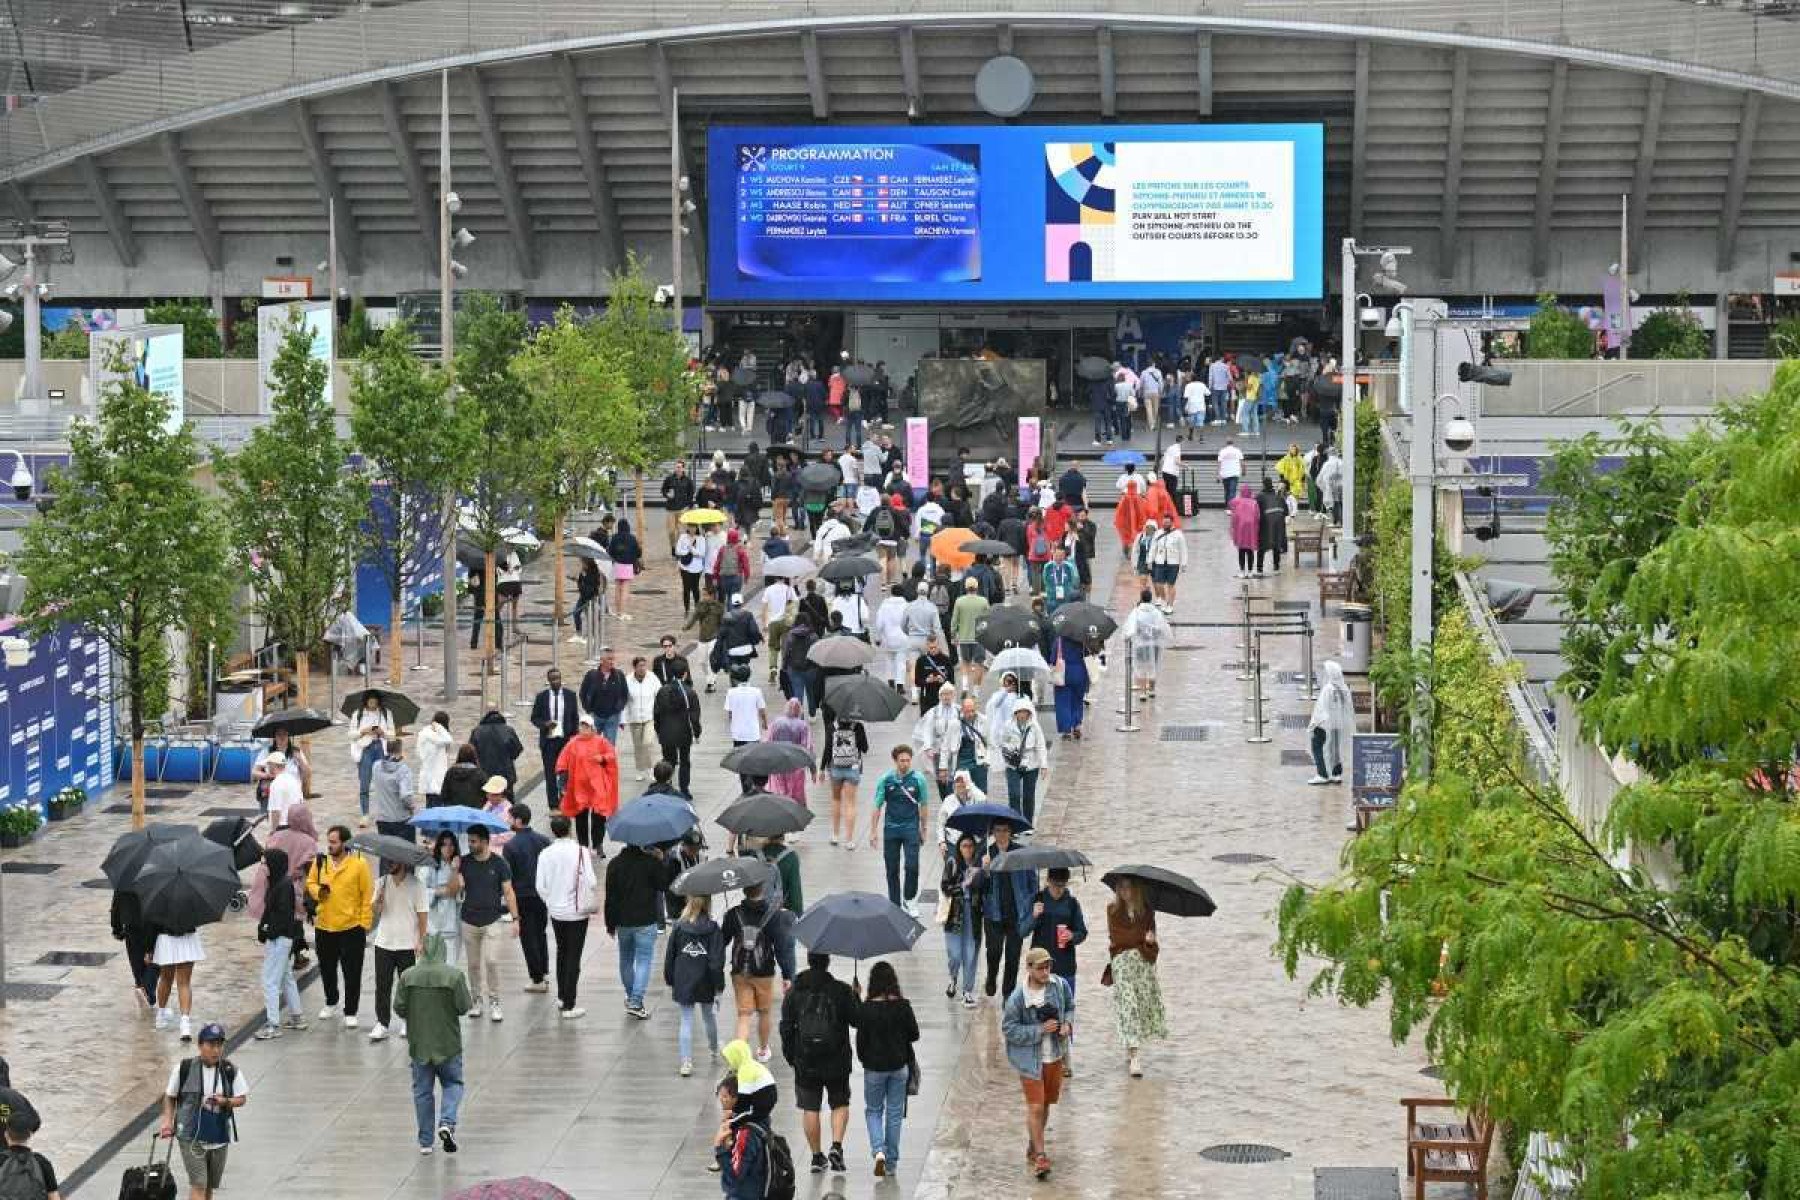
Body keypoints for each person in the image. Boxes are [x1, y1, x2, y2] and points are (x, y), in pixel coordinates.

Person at [779, 951, 860, 1175]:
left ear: (809, 961)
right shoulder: (841, 990)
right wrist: (856, 996)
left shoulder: (795, 991)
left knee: (810, 1107)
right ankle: (836, 1146)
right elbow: (857, 1020)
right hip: (837, 1058)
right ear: (828, 963)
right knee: (839, 1102)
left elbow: (786, 1026)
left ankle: (816, 1156)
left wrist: (791, 1056)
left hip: (805, 1060)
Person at [395, 933, 471, 1156]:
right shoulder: (454, 976)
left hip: (420, 1045)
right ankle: (447, 1121)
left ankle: (426, 1142)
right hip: (448, 1044)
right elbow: (464, 1006)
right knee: (453, 1084)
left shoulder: (408, 976)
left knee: (422, 1091)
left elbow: (399, 1007)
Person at [1002, 947, 1073, 1180]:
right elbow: (1009, 1029)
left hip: (1055, 1056)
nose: (1045, 971)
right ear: (1029, 969)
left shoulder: (1060, 986)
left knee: (1047, 1104)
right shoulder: (1017, 998)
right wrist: (1038, 1030)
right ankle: (1041, 1156)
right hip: (1029, 1061)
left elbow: (1070, 1007)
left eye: (1048, 967)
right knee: (1036, 1106)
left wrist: (1067, 1026)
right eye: (1041, 967)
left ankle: (1034, 1145)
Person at [160, 1022, 248, 1199]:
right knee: (199, 1184)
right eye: (211, 1045)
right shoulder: (184, 1068)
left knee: (208, 1187)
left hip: (219, 1135)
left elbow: (242, 1098)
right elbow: (170, 1096)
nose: (216, 1050)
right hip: (190, 1136)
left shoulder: (230, 1070)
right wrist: (167, 1122)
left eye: (219, 1045)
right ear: (200, 1045)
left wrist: (225, 1101)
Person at [306, 823, 373, 1029]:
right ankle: (331, 1000)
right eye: (329, 842)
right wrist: (319, 892)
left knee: (352, 971)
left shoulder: (359, 864)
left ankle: (351, 1010)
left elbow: (367, 895)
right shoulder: (321, 862)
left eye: (334, 842)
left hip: (351, 928)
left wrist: (364, 923)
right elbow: (310, 883)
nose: (330, 846)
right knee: (327, 968)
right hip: (325, 926)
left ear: (345, 843)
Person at [534, 813, 598, 1020]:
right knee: (573, 956)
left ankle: (562, 996)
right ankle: (569, 1003)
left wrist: (551, 901)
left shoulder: (545, 853)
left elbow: (540, 886)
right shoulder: (580, 852)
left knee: (562, 953)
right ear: (570, 828)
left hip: (557, 911)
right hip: (577, 912)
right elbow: (592, 881)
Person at [604, 838, 676, 1019]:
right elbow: (664, 885)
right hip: (646, 919)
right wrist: (661, 861)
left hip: (623, 921)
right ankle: (636, 1001)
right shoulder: (650, 863)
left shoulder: (614, 864)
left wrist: (610, 923)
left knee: (626, 960)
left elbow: (610, 897)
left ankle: (632, 998)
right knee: (644, 960)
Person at [723, 882, 795, 1060]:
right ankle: (763, 1050)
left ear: (744, 890)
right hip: (764, 972)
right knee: (764, 1012)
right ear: (762, 890)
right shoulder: (774, 916)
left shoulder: (734, 914)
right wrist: (788, 974)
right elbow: (782, 948)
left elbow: (721, 941)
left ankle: (740, 1057)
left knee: (744, 1015)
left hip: (740, 971)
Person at [1026, 868, 1088, 1073]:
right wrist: (1034, 916)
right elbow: (1021, 929)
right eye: (1055, 885)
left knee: (1064, 1012)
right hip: (1039, 967)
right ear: (1048, 881)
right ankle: (1040, 1057)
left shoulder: (1072, 904)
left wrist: (1073, 936)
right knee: (1039, 1011)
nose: (1058, 890)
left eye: (1062, 886)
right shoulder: (1037, 899)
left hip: (1065, 965)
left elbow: (1082, 931)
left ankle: (1064, 1058)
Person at [1105, 877, 1167, 1077]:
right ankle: (1134, 1057)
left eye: (1128, 887)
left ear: (1136, 889)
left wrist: (1149, 941)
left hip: (1142, 965)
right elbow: (1119, 938)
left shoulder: (1147, 911)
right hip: (1122, 964)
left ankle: (1130, 1045)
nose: (1125, 891)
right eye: (1121, 887)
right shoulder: (1112, 910)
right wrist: (1139, 939)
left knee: (1140, 1007)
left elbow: (1153, 947)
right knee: (1128, 1005)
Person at [458, 826, 520, 1022]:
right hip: (469, 919)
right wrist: (455, 874)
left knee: (491, 960)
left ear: (485, 842)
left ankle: (494, 1000)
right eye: (469, 841)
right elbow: (456, 888)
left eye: (474, 841)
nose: (470, 844)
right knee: (473, 964)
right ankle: (476, 1000)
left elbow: (509, 892)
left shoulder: (499, 864)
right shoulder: (464, 862)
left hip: (492, 919)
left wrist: (516, 918)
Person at [366, 855, 429, 1043]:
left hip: (407, 944)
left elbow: (423, 916)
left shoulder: (416, 885)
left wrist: (422, 940)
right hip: (384, 942)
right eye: (387, 862)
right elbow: (375, 913)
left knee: (408, 986)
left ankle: (408, 1021)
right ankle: (382, 1023)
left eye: (392, 861)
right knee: (382, 985)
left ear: (402, 862)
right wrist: (378, 899)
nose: (389, 864)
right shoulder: (381, 882)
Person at [665, 893, 725, 1076]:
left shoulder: (679, 927)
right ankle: (714, 1048)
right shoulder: (713, 928)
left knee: (686, 1020)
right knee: (708, 1016)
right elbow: (716, 961)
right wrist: (719, 985)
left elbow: (670, 956)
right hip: (705, 979)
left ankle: (686, 1062)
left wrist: (670, 978)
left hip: (683, 978)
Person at [252, 848, 307, 1040]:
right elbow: (270, 911)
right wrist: (263, 928)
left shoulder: (283, 886)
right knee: (286, 977)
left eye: (265, 863)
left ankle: (273, 1024)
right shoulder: (276, 883)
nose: (263, 866)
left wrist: (268, 931)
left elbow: (282, 916)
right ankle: (297, 1017)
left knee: (270, 981)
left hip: (279, 940)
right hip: (280, 939)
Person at [868, 744, 930, 913]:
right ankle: (894, 903)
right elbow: (877, 806)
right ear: (895, 761)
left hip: (911, 828)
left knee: (912, 866)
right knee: (891, 868)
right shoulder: (886, 779)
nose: (905, 764)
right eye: (902, 760)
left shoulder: (919, 780)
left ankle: (909, 899)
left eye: (908, 760)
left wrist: (924, 829)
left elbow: (924, 805)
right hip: (891, 829)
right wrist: (873, 831)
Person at [982, 819, 1035, 999]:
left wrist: (1030, 903)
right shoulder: (986, 853)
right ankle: (991, 977)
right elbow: (976, 885)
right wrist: (986, 870)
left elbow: (1032, 881)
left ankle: (1008, 995)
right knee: (994, 953)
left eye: (1005, 830)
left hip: (1016, 914)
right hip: (993, 914)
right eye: (998, 830)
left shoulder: (1021, 852)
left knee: (1012, 958)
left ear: (1010, 832)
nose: (1001, 834)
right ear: (993, 833)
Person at [502, 804, 552, 996]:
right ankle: (543, 971)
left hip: (522, 896)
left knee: (528, 936)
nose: (508, 821)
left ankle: (537, 977)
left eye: (510, 818)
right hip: (541, 895)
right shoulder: (543, 840)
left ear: (518, 820)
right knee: (540, 933)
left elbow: (509, 877)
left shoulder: (511, 846)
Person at [555, 713, 620, 852]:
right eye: (582, 726)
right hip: (579, 787)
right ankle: (583, 845)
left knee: (599, 817)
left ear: (592, 728)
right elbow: (562, 762)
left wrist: (602, 758)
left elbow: (612, 754)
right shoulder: (572, 744)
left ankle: (598, 844)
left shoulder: (601, 742)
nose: (583, 729)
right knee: (581, 817)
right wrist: (563, 780)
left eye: (587, 727)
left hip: (597, 787)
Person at [940, 831, 986, 1007]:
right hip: (955, 914)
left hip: (973, 914)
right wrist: (963, 885)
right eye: (964, 846)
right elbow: (945, 887)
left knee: (971, 953)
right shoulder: (952, 863)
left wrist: (985, 871)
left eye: (971, 846)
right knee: (955, 954)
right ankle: (953, 978)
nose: (968, 849)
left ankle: (967, 990)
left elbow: (985, 889)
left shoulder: (980, 865)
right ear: (959, 848)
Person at [713, 1073, 771, 1198]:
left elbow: (735, 1175)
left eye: (725, 1096)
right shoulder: (759, 1118)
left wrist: (719, 1147)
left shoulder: (745, 1133)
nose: (721, 1100)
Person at [529, 668, 580, 810]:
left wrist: (574, 738)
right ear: (549, 681)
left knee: (565, 773)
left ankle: (565, 800)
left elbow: (574, 717)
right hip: (549, 741)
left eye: (558, 678)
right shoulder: (542, 697)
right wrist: (545, 724)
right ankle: (553, 804)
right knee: (550, 774)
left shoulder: (570, 695)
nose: (556, 681)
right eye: (553, 679)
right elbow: (534, 718)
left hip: (565, 741)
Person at [111, 878, 160, 1013]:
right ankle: (146, 989)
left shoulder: (125, 876)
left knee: (137, 961)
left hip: (131, 925)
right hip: (152, 923)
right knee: (154, 960)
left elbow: (116, 902)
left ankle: (141, 985)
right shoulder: (157, 875)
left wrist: (116, 928)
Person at [653, 662, 704, 794]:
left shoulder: (662, 691)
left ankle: (665, 785)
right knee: (684, 761)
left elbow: (656, 713)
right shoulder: (690, 692)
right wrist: (697, 733)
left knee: (668, 760)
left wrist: (658, 730)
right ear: (685, 674)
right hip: (684, 732)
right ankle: (684, 789)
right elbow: (694, 716)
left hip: (666, 731)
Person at [997, 697, 1049, 822]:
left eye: (1025, 711)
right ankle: (1015, 821)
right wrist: (1009, 751)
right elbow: (1001, 741)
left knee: (1028, 795)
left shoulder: (1034, 726)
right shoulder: (1008, 726)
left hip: (1031, 764)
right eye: (1019, 711)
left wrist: (1044, 765)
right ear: (1015, 712)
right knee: (1014, 794)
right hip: (1012, 764)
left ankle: (1027, 821)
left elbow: (1041, 745)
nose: (1022, 714)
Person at [1309, 659, 1356, 794]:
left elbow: (1320, 709)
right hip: (1338, 724)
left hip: (1325, 724)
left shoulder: (1328, 689)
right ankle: (1336, 773)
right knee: (1335, 749)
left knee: (1317, 746)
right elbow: (1349, 708)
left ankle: (1322, 774)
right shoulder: (1343, 687)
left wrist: (1314, 724)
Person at [349, 693, 396, 827]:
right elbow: (351, 735)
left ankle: (385, 812)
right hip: (365, 749)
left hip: (381, 748)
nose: (372, 702)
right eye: (370, 700)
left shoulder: (386, 713)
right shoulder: (358, 714)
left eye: (375, 700)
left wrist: (382, 732)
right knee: (364, 783)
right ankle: (365, 815)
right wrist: (363, 731)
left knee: (383, 782)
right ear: (366, 701)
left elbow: (392, 734)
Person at [1119, 588, 1173, 701]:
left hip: (1140, 644)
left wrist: (1127, 637)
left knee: (1141, 667)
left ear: (1141, 598)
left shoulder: (1136, 612)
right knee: (1153, 666)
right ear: (1150, 598)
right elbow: (1163, 628)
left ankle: (1142, 692)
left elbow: (1130, 628)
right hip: (1155, 644)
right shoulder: (1156, 612)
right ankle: (1152, 690)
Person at [1, 1098, 61, 1200]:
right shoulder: (42, 1162)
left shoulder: (1, 1160)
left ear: (6, 1135)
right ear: (30, 1135)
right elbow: (54, 1197)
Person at [821, 716, 868, 848]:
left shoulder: (832, 726)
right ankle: (849, 840)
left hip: (835, 768)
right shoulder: (857, 726)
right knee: (850, 804)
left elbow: (827, 749)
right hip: (852, 768)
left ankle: (835, 835)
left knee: (836, 800)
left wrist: (821, 769)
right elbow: (865, 748)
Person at [765, 698, 814, 811]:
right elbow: (807, 747)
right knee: (796, 791)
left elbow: (768, 741)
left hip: (778, 763)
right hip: (796, 765)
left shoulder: (776, 723)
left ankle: (780, 809)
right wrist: (813, 768)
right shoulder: (803, 726)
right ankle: (793, 811)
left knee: (779, 789)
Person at [579, 647, 629, 746]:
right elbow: (583, 693)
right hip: (595, 716)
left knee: (609, 746)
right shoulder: (591, 675)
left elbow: (624, 693)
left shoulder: (619, 675)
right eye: (609, 659)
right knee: (592, 745)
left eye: (613, 659)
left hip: (612, 716)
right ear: (602, 660)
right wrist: (588, 709)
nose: (612, 662)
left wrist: (619, 707)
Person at [469, 708, 523, 801]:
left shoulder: (477, 731)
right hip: (506, 773)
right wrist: (508, 758)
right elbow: (517, 749)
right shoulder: (508, 730)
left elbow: (472, 752)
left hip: (484, 774)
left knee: (484, 802)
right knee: (507, 803)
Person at [623, 655, 660, 783]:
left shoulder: (652, 678)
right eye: (640, 666)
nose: (643, 668)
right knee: (638, 746)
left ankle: (650, 769)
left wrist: (659, 712)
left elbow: (659, 694)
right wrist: (624, 718)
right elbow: (625, 701)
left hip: (650, 717)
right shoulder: (628, 680)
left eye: (644, 665)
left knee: (647, 743)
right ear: (634, 667)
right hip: (634, 719)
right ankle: (639, 769)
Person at [369, 737, 415, 839]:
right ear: (400, 749)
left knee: (386, 852)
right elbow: (405, 796)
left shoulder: (376, 766)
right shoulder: (403, 770)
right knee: (407, 851)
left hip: (383, 818)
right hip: (401, 819)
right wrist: (411, 807)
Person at [950, 578, 989, 691]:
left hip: (964, 637)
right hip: (979, 638)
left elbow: (954, 620)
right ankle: (976, 690)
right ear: (977, 588)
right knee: (979, 663)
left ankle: (965, 686)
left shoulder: (959, 601)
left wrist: (953, 634)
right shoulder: (983, 601)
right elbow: (988, 619)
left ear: (966, 588)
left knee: (965, 662)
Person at [1049, 634, 1090, 741]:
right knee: (1077, 699)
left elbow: (1053, 658)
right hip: (1080, 671)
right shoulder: (1082, 639)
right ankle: (1076, 725)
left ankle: (1066, 730)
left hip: (1063, 672)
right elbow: (1088, 655)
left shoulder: (1059, 640)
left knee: (1063, 701)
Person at [255, 747, 304, 830]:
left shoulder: (276, 784)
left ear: (272, 766)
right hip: (295, 825)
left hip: (282, 826)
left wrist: (273, 832)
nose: (267, 768)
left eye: (268, 765)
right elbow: (301, 802)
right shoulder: (293, 780)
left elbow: (276, 811)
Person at [1149, 513, 1187, 612]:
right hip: (1160, 561)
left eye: (1167, 522)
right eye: (1164, 522)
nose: (1165, 524)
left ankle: (1170, 605)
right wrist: (1150, 560)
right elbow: (1153, 548)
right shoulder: (1158, 533)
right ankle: (1164, 600)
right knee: (1158, 583)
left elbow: (1183, 549)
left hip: (1173, 563)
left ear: (1171, 522)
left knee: (1171, 584)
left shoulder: (1178, 534)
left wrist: (1183, 563)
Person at [416, 711, 456, 806]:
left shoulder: (425, 734)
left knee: (430, 804)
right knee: (436, 805)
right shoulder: (433, 736)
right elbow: (449, 739)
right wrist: (439, 727)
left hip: (430, 777)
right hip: (436, 778)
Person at [724, 666, 767, 748]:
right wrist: (765, 723)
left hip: (738, 733)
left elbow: (730, 713)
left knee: (739, 756)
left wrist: (732, 724)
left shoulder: (731, 692)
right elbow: (762, 710)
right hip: (753, 732)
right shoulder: (756, 691)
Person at [608, 517, 642, 621]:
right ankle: (623, 613)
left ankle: (618, 611)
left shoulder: (614, 537)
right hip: (627, 566)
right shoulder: (632, 538)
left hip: (617, 565)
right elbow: (638, 553)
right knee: (625, 590)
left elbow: (610, 552)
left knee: (618, 589)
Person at [439, 743, 487, 809]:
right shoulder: (480, 774)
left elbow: (444, 795)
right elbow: (486, 795)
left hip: (454, 811)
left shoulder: (450, 773)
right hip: (474, 812)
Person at [1229, 482, 1261, 578]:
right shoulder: (1254, 502)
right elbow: (1258, 517)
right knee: (1250, 550)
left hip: (1240, 530)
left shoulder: (1237, 501)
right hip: (1251, 530)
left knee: (1241, 550)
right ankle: (1250, 572)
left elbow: (1230, 503)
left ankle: (1242, 571)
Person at [1040, 543, 1079, 613]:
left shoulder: (1069, 566)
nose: (1058, 558)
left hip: (1065, 599)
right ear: (1053, 555)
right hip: (1051, 598)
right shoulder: (1048, 567)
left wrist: (1067, 589)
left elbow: (1074, 580)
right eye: (1056, 555)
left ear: (1064, 556)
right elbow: (1045, 580)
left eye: (1061, 555)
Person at [1317, 444, 1345, 525]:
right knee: (1341, 503)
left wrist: (1324, 487)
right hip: (1341, 486)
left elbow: (1321, 477)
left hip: (1331, 486)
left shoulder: (1327, 464)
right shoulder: (1341, 462)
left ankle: (1336, 521)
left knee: (1335, 504)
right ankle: (1342, 521)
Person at [1217, 435, 1244, 507]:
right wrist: (1244, 470)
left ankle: (1227, 506)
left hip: (1225, 474)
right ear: (1233, 443)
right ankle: (1231, 507)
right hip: (1234, 473)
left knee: (1227, 491)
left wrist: (1218, 475)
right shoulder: (1237, 451)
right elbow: (1242, 462)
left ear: (1226, 443)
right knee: (1232, 491)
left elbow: (1219, 463)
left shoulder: (1222, 451)